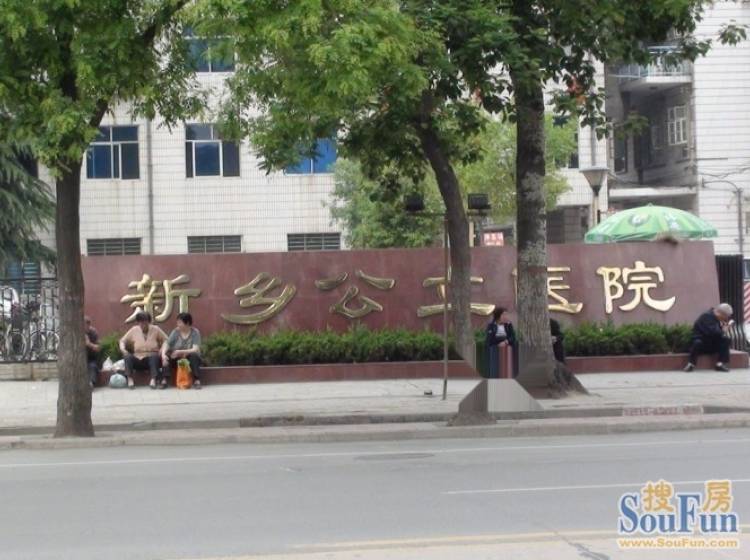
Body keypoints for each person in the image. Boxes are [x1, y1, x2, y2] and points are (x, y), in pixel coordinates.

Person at [119, 311, 168, 389]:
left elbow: (166, 340)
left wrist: (162, 350)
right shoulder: (134, 330)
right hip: (138, 358)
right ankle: (130, 379)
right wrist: (123, 349)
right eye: (140, 323)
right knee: (127, 357)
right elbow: (122, 341)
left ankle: (153, 379)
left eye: (145, 323)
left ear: (149, 322)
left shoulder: (155, 329)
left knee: (154, 356)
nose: (142, 325)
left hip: (151, 359)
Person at [684, 303, 734, 372]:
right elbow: (712, 332)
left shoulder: (715, 318)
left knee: (726, 340)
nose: (726, 319)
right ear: (721, 314)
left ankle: (720, 364)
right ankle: (691, 364)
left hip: (710, 344)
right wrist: (723, 330)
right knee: (697, 342)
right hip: (701, 343)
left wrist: (722, 329)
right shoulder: (706, 316)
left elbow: (716, 333)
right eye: (726, 317)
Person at [162, 312, 203, 389]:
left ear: (187, 323)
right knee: (167, 357)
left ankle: (197, 380)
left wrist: (180, 352)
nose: (178, 325)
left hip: (189, 360)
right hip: (177, 359)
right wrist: (163, 355)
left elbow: (195, 349)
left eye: (180, 323)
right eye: (177, 322)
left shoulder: (195, 332)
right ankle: (165, 380)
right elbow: (167, 344)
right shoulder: (176, 332)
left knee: (194, 356)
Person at [486, 306, 517, 378]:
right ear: (498, 316)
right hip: (495, 350)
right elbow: (489, 341)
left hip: (507, 350)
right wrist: (498, 344)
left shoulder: (508, 325)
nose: (506, 316)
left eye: (506, 314)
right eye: (504, 315)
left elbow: (513, 338)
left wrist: (506, 342)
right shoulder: (491, 326)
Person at [85, 316, 100, 389]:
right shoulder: (76, 333)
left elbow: (98, 348)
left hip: (91, 358)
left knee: (92, 366)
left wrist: (89, 344)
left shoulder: (93, 332)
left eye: (86, 326)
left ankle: (91, 384)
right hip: (79, 359)